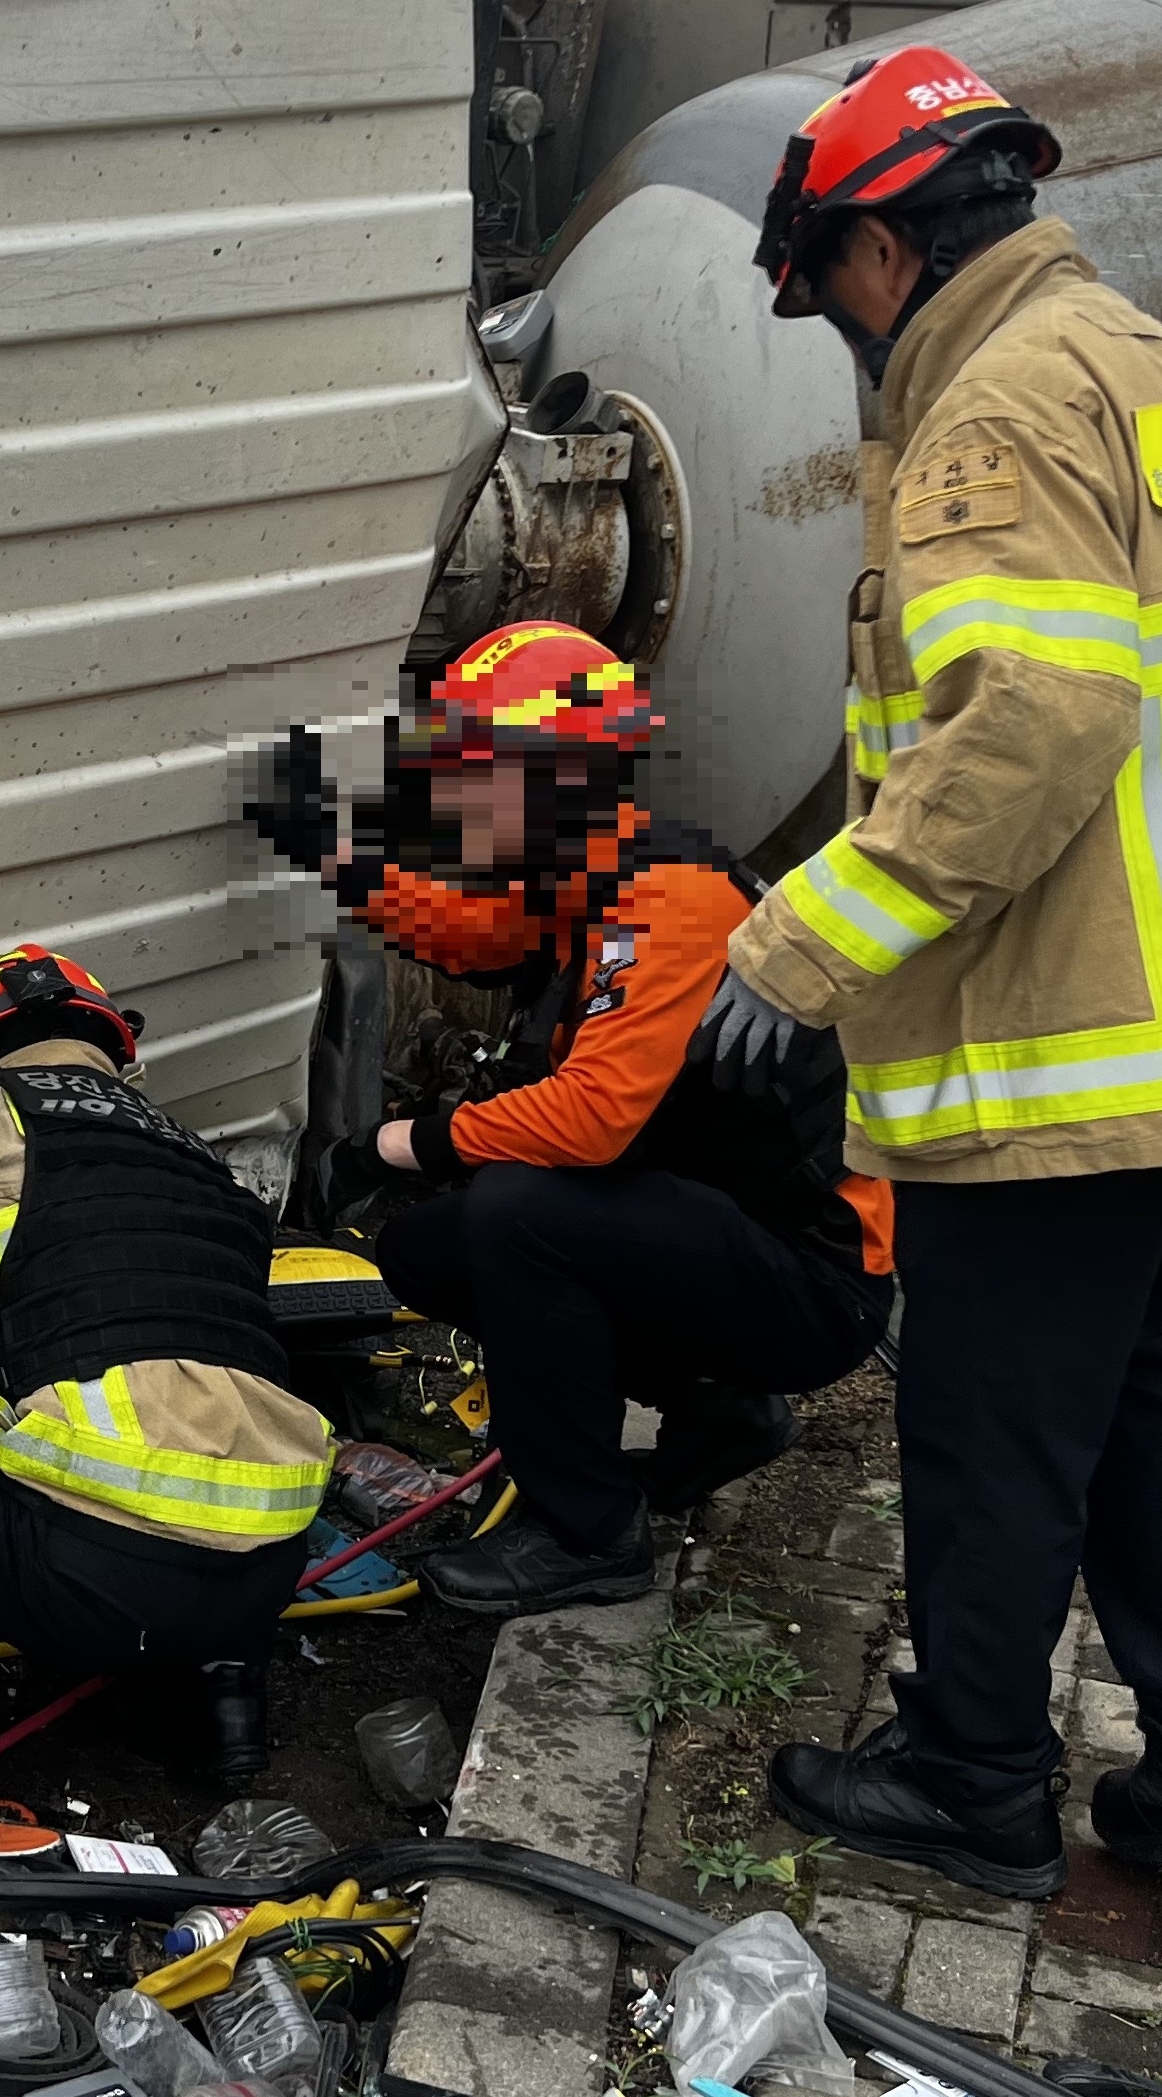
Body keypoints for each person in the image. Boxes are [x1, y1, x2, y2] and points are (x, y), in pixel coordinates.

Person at [706, 44, 1162, 1901]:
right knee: (1130, 1376)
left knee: (985, 1416)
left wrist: (806, 937)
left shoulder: (990, 412)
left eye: (821, 293)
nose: (834, 336)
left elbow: (1032, 719)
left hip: (1062, 1047)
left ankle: (968, 1771)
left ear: (880, 248)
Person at [257, 621, 892, 1617]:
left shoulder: (667, 903)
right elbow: (467, 934)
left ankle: (585, 1532)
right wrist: (334, 854)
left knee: (515, 1213)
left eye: (473, 772)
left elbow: (591, 1120)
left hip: (811, 1284)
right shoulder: (587, 878)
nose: (452, 796)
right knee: (431, 1249)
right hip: (714, 1241)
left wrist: (397, 1144)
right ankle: (716, 1406)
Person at [0, 947, 332, 1811]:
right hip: (264, 1579)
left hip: (85, 1580)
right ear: (117, 1049)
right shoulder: (197, 1160)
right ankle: (209, 1701)